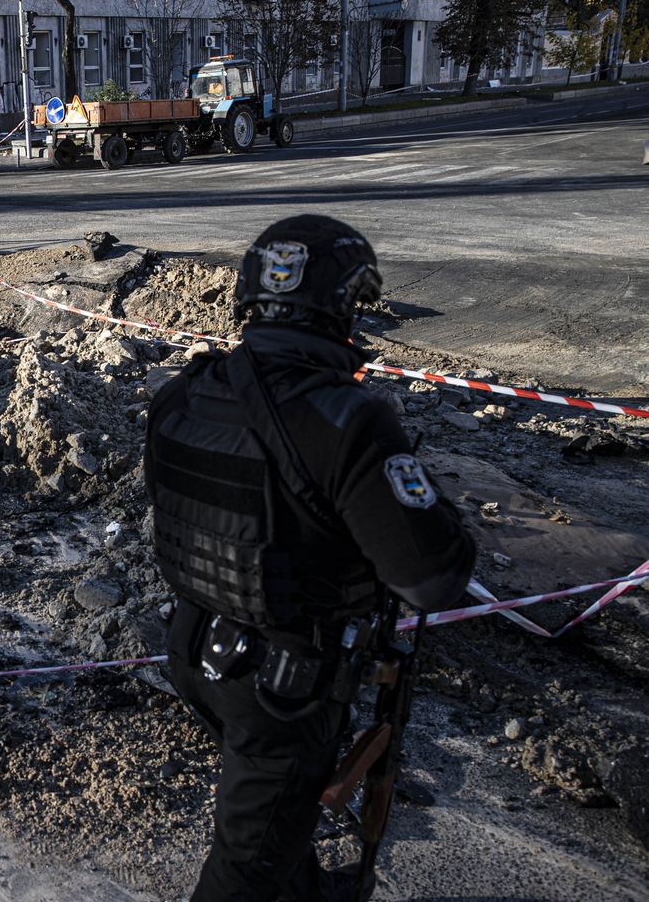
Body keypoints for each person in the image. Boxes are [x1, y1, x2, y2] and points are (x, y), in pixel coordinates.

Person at [143, 215, 475, 902]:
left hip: (194, 649)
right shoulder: (347, 417)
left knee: (272, 826)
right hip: (285, 685)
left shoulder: (187, 391)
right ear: (344, 307)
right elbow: (433, 579)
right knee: (246, 866)